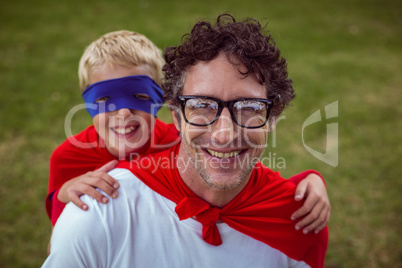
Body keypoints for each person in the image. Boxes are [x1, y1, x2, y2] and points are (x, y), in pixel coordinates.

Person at [43, 14, 328, 268]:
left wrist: (308, 181)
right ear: (178, 118)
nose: (224, 134)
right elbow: (61, 241)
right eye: (202, 105)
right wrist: (67, 201)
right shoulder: (92, 207)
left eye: (250, 108)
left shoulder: (297, 222)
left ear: (273, 119)